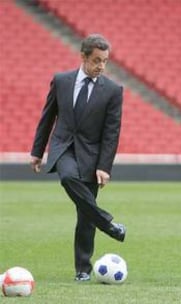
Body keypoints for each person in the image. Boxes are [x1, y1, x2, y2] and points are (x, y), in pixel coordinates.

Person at [30, 34, 126, 282]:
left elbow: (111, 133)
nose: (101, 66)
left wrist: (104, 167)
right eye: (96, 60)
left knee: (85, 215)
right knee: (68, 177)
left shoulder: (114, 91)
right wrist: (37, 151)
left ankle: (83, 269)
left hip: (92, 157)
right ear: (83, 57)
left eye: (105, 61)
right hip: (63, 147)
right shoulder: (61, 81)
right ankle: (108, 224)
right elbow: (48, 116)